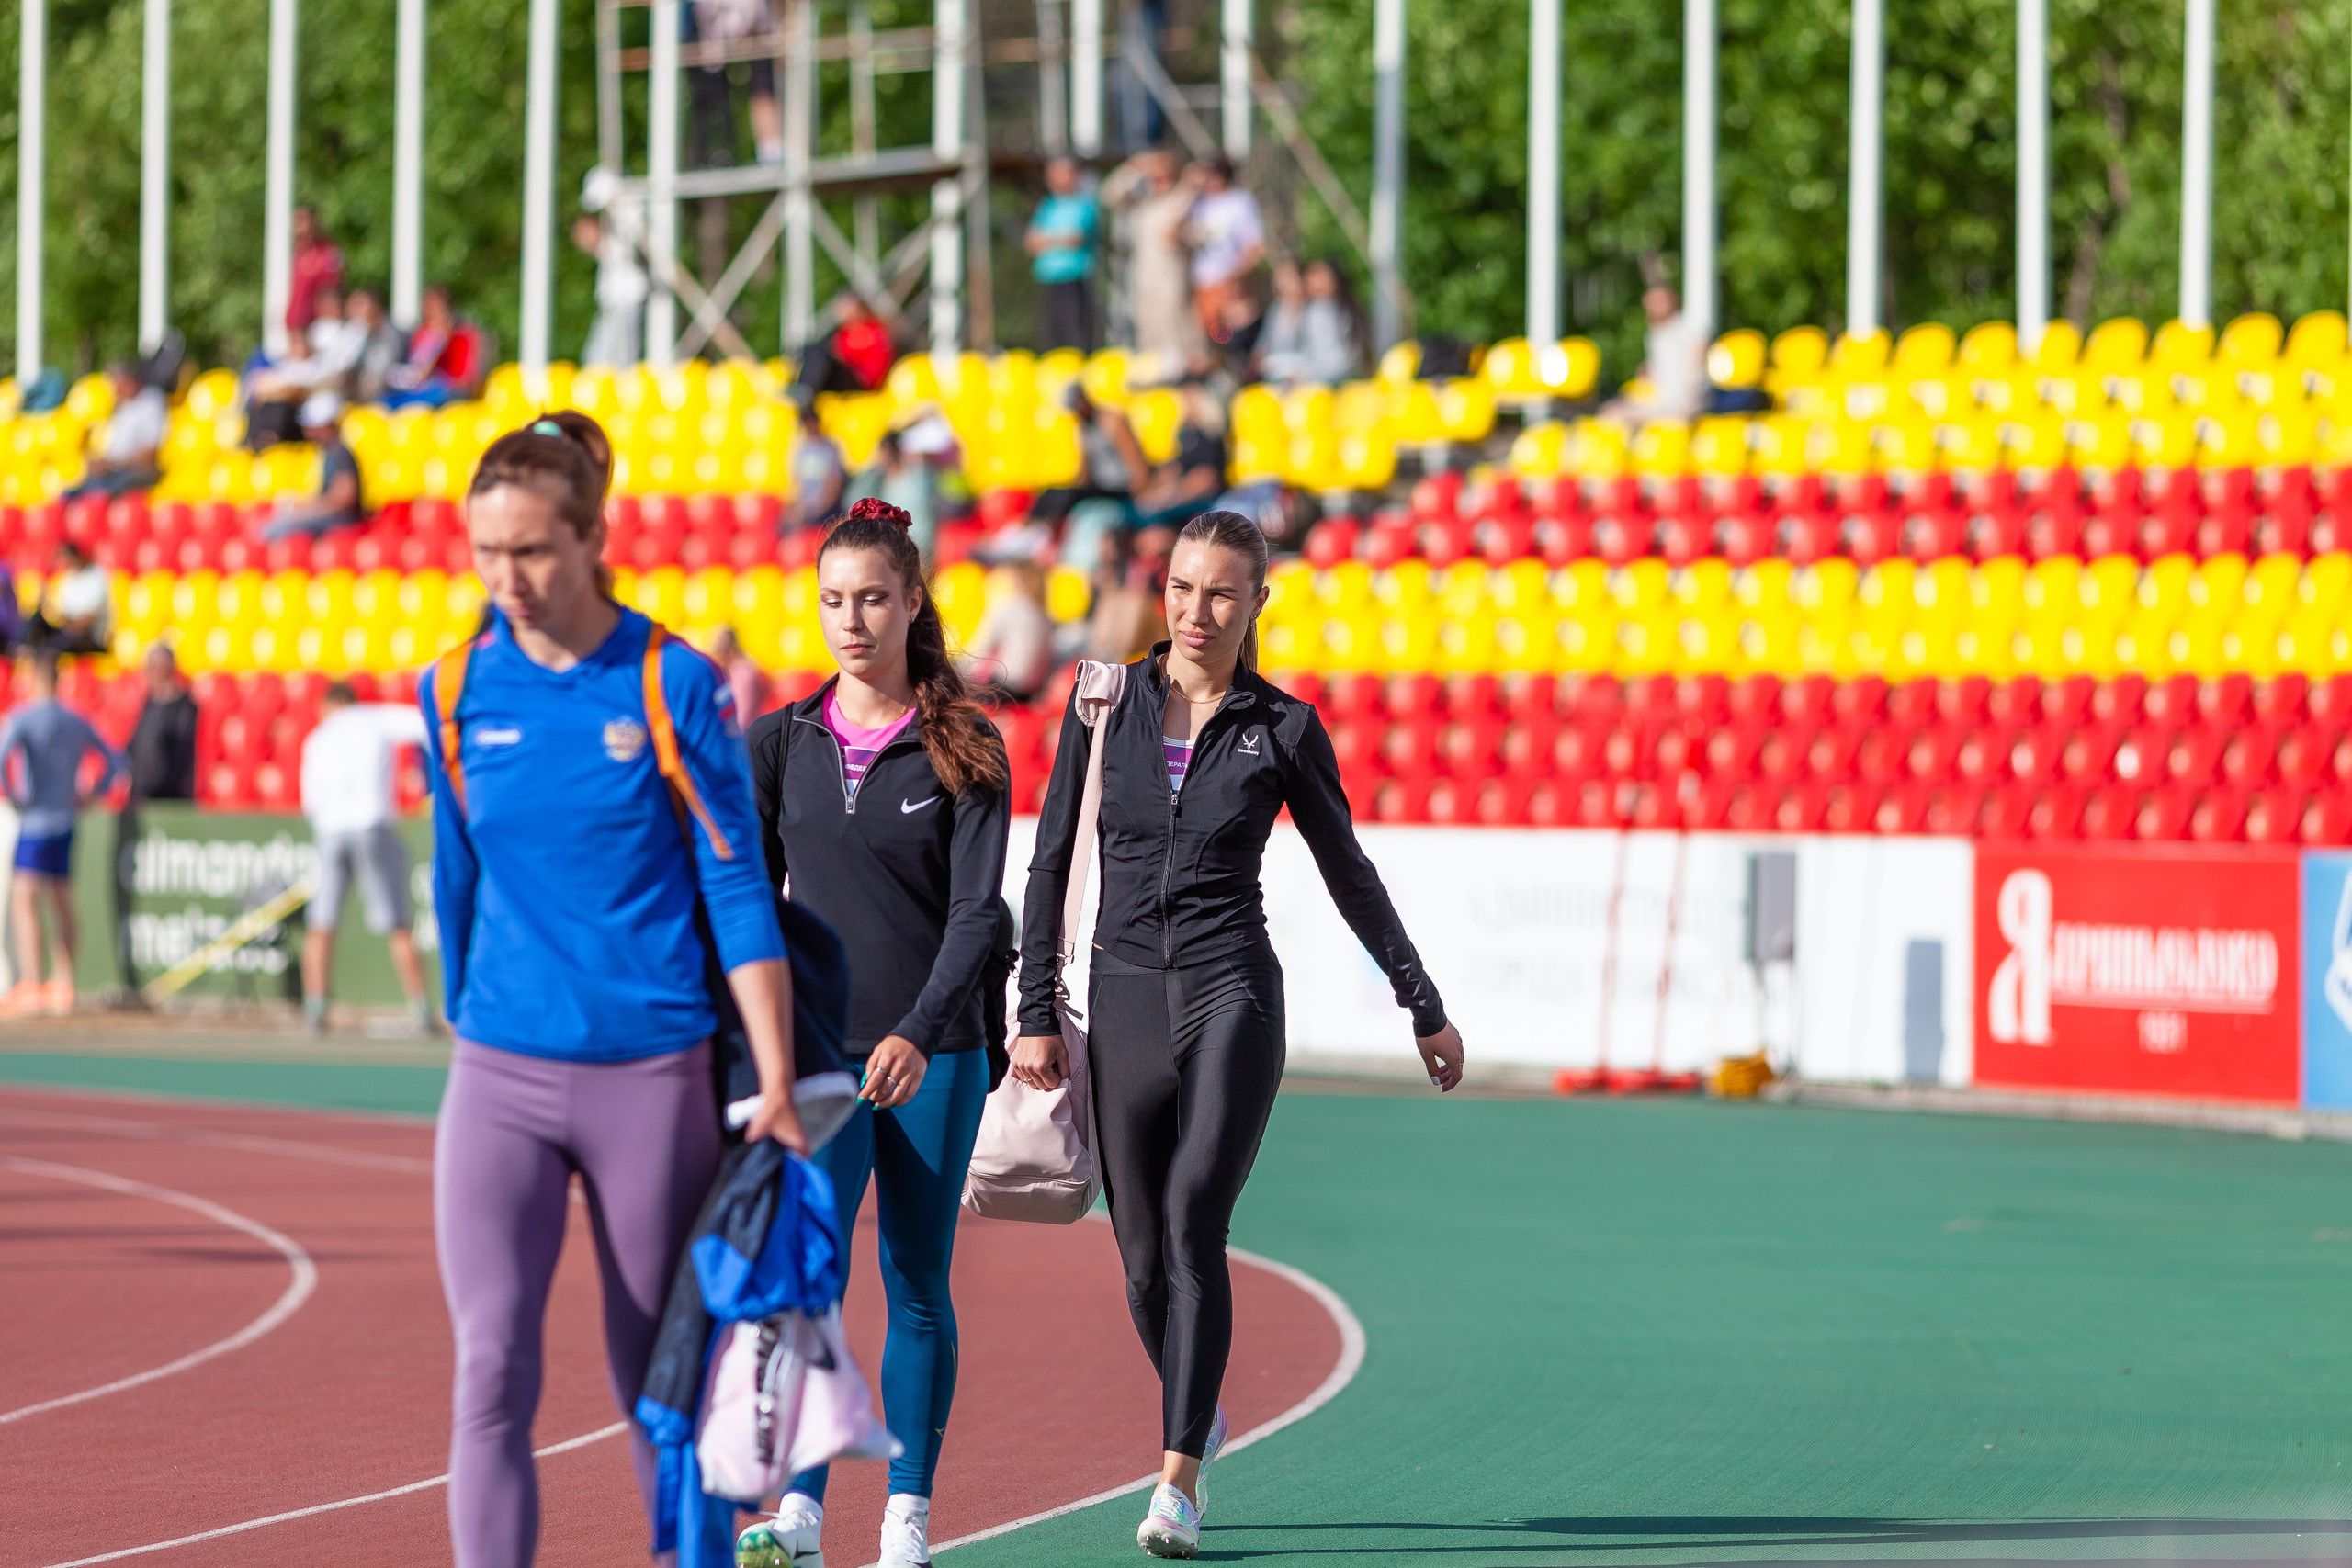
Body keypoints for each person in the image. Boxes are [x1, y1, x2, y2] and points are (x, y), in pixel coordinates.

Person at [1012, 510, 1464, 1559]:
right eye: (1180, 587)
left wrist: (1420, 999)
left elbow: (1349, 871)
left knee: (1188, 1220)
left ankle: (1176, 1482)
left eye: (1220, 592)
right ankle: (1194, 1405)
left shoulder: (1283, 727)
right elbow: (1048, 863)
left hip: (1230, 995)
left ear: (1257, 603)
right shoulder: (1100, 700)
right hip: (1120, 993)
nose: (1194, 611)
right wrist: (1035, 1007)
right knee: (1135, 1265)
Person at [421, 411, 807, 1567]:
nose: (509, 579)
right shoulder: (451, 687)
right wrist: (472, 1017)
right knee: (489, 1368)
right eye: (488, 555)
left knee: (659, 1380)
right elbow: (455, 874)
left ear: (591, 537)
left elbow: (739, 895)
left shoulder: (671, 682)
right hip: (497, 1077)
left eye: (532, 551)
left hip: (650, 1076)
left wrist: (776, 1076)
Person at [738, 497, 1011, 1568]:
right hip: (816, 1056)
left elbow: (977, 916)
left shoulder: (966, 745)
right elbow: (751, 905)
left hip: (934, 1055)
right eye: (832, 602)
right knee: (808, 1279)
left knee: (913, 1280)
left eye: (871, 600)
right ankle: (800, 1510)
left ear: (910, 604)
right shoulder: (779, 743)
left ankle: (906, 1512)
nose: (850, 621)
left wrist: (919, 1031)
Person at [299, 681, 435, 1036]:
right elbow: (426, 724)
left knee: (321, 924)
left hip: (331, 832)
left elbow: (310, 801)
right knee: (398, 923)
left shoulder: (318, 737)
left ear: (332, 704)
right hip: (372, 826)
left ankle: (315, 1009)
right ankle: (420, 1009)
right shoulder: (373, 719)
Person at [0, 650, 125, 1016]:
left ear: (37, 680)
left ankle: (34, 982)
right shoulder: (76, 720)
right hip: (66, 819)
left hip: (36, 820)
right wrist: (91, 794)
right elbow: (116, 762)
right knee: (62, 901)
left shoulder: (24, 717)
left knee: (25, 899)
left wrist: (12, 794)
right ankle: (64, 982)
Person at [1102, 149, 1205, 378]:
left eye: (1164, 174)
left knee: (1176, 337)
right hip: (1143, 281)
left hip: (1172, 279)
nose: (1159, 180)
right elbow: (1109, 194)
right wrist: (1133, 167)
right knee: (1148, 338)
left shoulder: (1184, 197)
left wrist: (1189, 186)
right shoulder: (1143, 203)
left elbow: (1193, 231)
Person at [1601, 284, 1709, 427]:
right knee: (1609, 412)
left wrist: (1687, 404)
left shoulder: (1691, 327)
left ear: (1673, 300)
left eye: (1661, 300)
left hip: (1686, 404)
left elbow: (1697, 371)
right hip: (1661, 401)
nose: (1656, 305)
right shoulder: (1654, 335)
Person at [1183, 159, 1264, 348]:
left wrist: (1235, 276)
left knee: (1230, 335)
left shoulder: (1239, 201)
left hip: (1230, 280)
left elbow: (1254, 246)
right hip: (1204, 280)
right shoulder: (1198, 203)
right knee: (1208, 335)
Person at [260, 395, 364, 541]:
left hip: (343, 520)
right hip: (334, 517)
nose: (308, 433)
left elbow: (345, 499)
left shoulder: (341, 453)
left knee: (277, 530)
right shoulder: (330, 453)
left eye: (313, 427)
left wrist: (308, 510)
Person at [1027, 155, 1102, 355]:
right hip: (1049, 278)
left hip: (1074, 279)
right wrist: (1059, 239)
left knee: (1075, 334)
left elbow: (1075, 239)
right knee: (1051, 335)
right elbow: (1031, 242)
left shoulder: (1084, 204)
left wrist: (1047, 240)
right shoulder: (1048, 205)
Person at [956, 560, 1055, 701]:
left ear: (1018, 580)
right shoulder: (1046, 617)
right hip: (1033, 692)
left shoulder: (1009, 607)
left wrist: (959, 673)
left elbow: (981, 649)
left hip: (1007, 689)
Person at [66, 364, 166, 499]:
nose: (114, 390)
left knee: (99, 493)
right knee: (70, 494)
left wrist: (111, 464)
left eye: (117, 384)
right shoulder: (122, 406)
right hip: (115, 472)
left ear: (129, 381)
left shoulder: (150, 404)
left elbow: (149, 455)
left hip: (136, 472)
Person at [1255, 260, 1363, 387]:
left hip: (1332, 380)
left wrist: (1306, 375)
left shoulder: (1324, 310)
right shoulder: (1277, 310)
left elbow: (1337, 358)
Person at [385, 285, 491, 410]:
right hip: (427, 389)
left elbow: (471, 379)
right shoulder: (423, 332)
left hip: (453, 391)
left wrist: (441, 341)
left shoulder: (467, 334)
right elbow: (417, 372)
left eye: (436, 309)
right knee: (385, 402)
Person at [844, 429, 940, 558]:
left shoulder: (918, 477)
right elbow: (853, 499)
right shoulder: (878, 481)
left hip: (920, 544)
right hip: (894, 546)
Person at [573, 212, 649, 369]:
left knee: (619, 356)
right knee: (598, 356)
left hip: (627, 303)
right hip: (614, 306)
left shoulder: (619, 242)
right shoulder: (609, 247)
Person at [125, 643, 198, 801]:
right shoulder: (147, 705)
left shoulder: (185, 709)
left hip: (170, 801)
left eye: (150, 668)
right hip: (142, 799)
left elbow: (179, 761)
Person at [797, 293, 898, 397]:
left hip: (863, 384)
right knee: (810, 349)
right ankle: (802, 391)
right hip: (847, 378)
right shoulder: (842, 335)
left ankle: (804, 392)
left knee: (817, 351)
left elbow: (880, 365)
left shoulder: (876, 330)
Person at [28, 543, 113, 655]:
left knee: (50, 648)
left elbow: (85, 623)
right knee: (37, 619)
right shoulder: (68, 577)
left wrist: (61, 622)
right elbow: (62, 613)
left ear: (77, 556)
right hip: (69, 628)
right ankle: (21, 649)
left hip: (89, 637)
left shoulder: (98, 577)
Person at [787, 400, 849, 532]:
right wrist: (798, 510)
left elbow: (834, 485)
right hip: (806, 510)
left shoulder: (830, 449)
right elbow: (796, 485)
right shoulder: (801, 451)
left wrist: (816, 512)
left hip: (825, 510)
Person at [288, 207, 346, 343]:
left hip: (317, 326)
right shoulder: (295, 254)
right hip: (294, 323)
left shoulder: (328, 254)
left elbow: (335, 290)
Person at [345, 288, 410, 405]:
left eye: (360, 305)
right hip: (363, 382)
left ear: (375, 307)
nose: (356, 311)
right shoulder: (359, 331)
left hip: (387, 387)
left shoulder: (391, 332)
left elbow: (392, 364)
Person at [706, 624, 771, 725]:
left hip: (747, 733)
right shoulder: (728, 672)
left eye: (719, 653)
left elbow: (742, 719)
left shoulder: (744, 675)